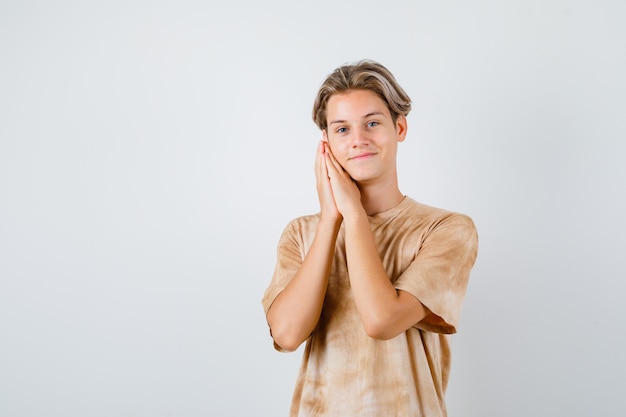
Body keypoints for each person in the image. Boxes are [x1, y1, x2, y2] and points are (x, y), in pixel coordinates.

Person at [261, 59, 479, 417]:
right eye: (342, 129)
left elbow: (382, 321)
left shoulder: (446, 229)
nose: (358, 140)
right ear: (326, 144)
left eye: (372, 123)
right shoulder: (301, 234)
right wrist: (332, 218)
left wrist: (355, 215)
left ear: (400, 127)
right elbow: (286, 334)